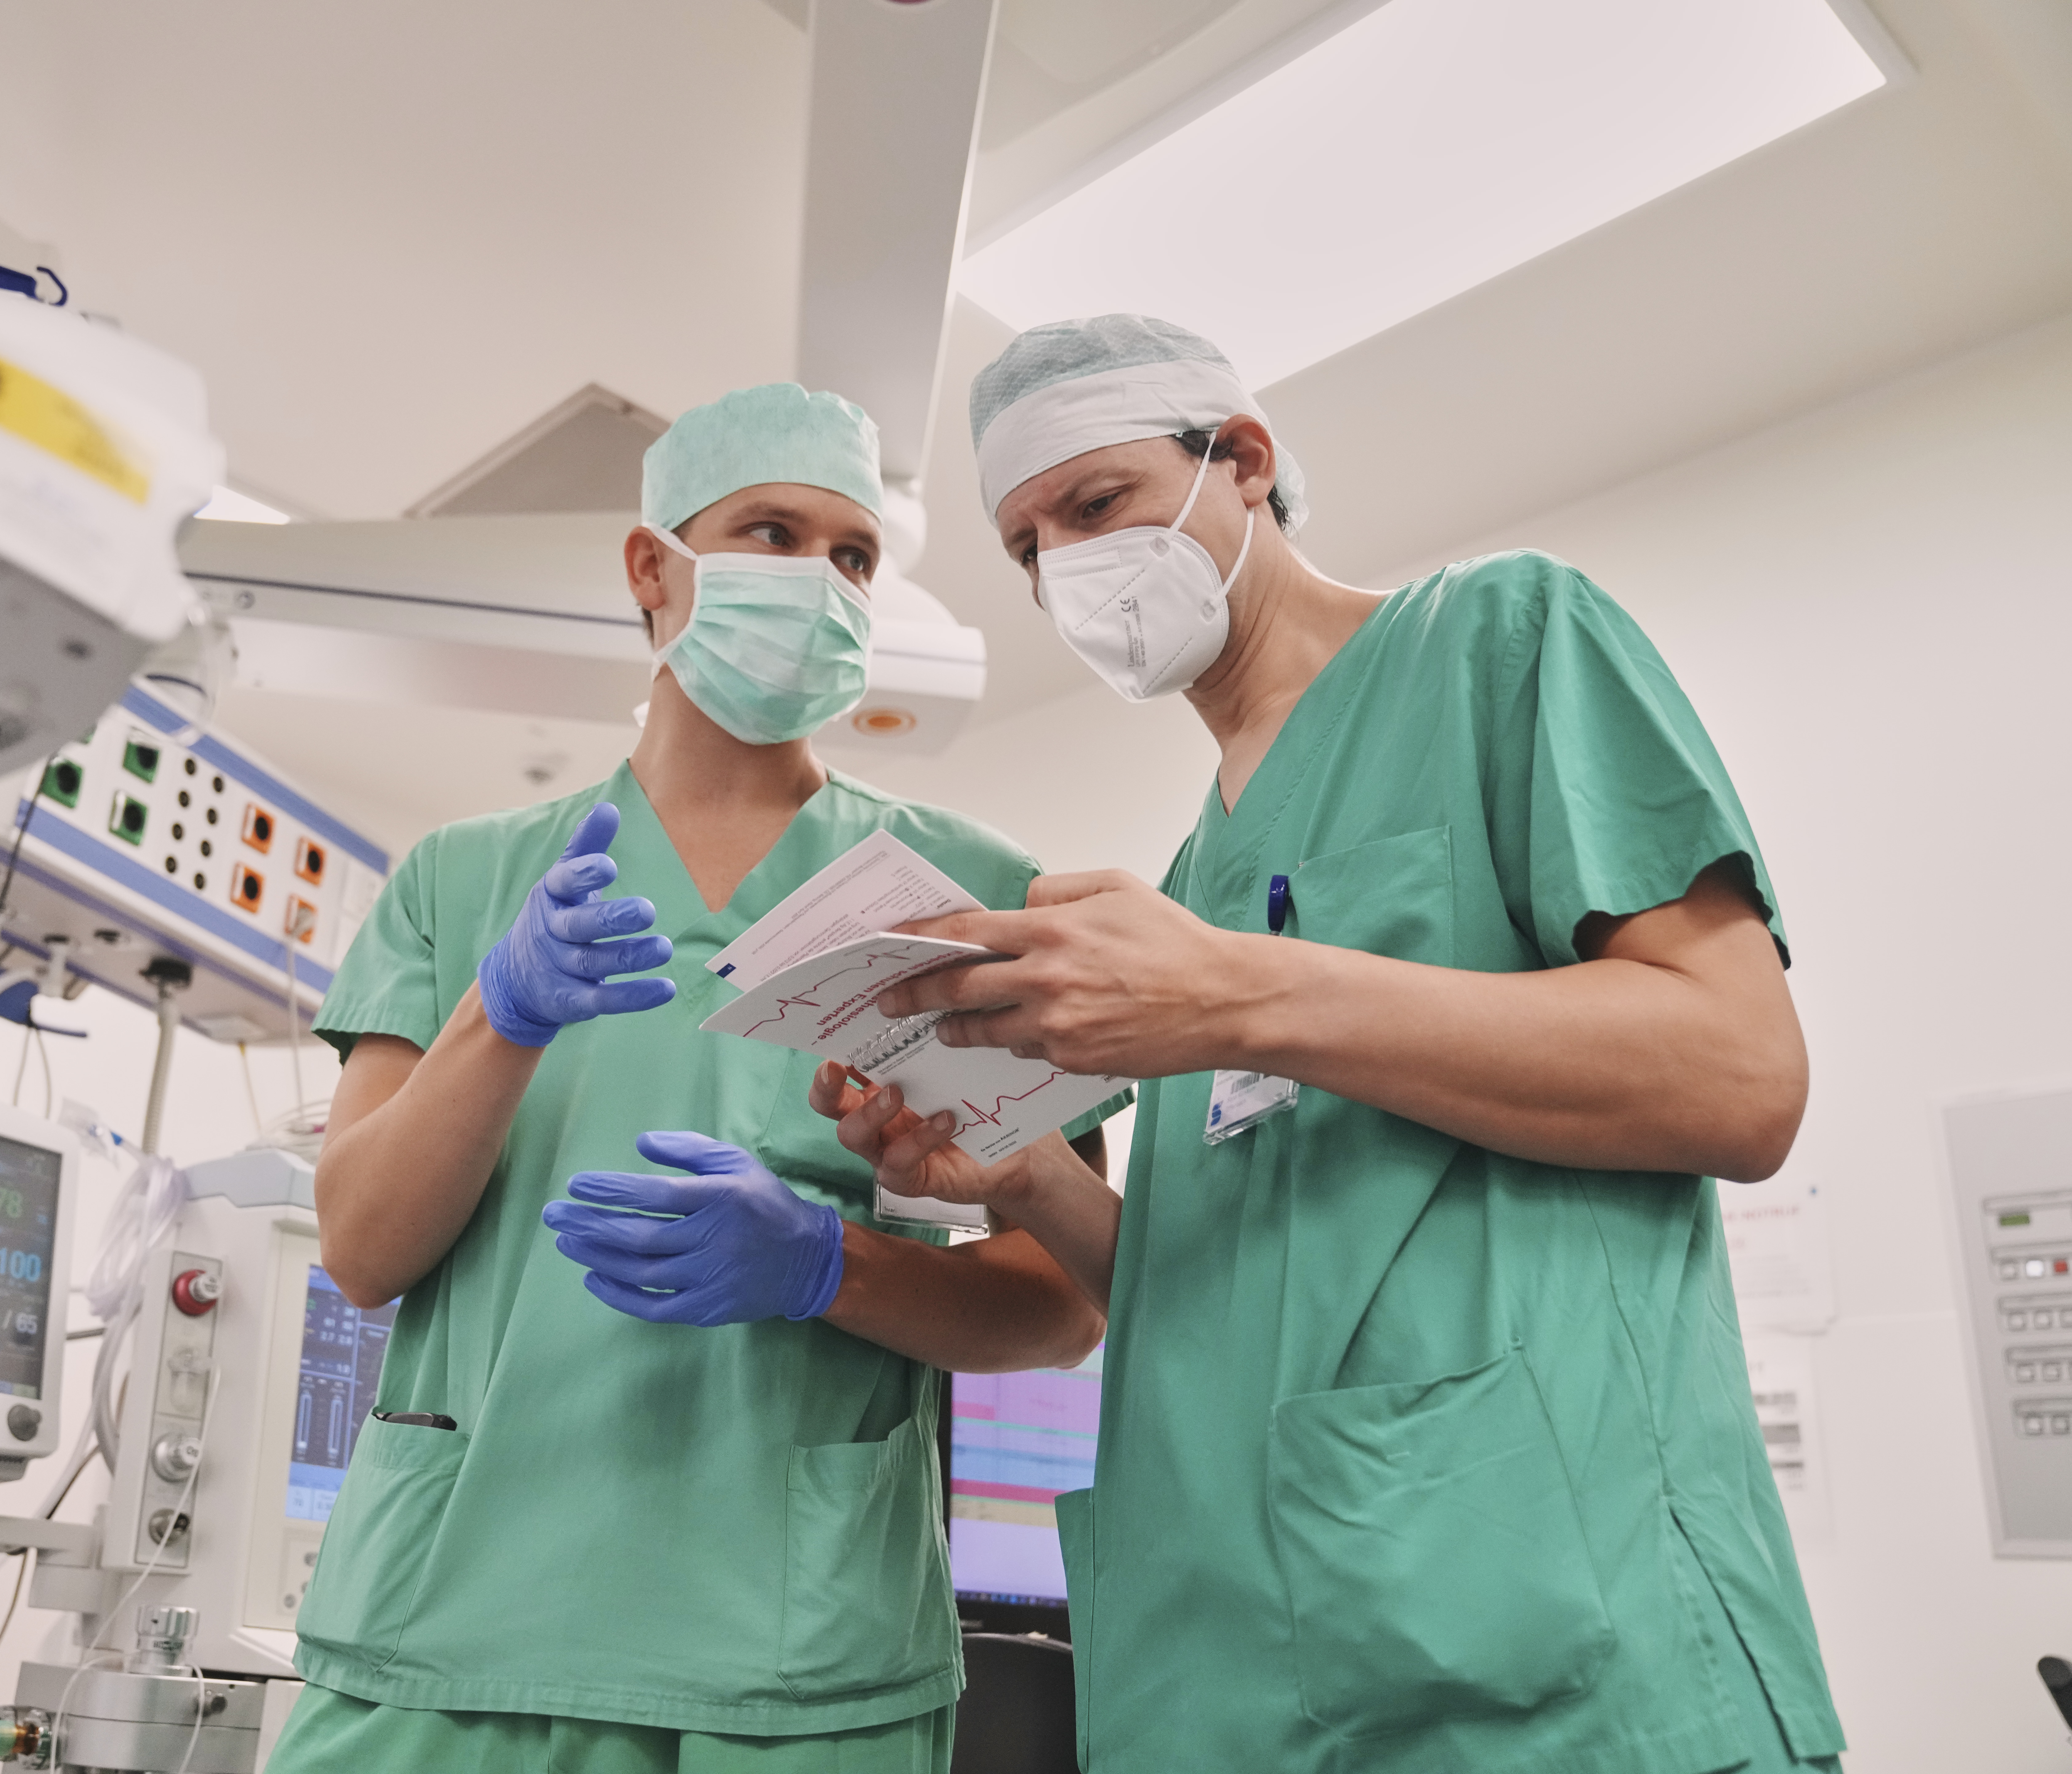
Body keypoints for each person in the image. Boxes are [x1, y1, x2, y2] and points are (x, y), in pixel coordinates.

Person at [810, 316, 1846, 1772]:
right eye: (1028, 546)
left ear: (1242, 461)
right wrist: (1032, 1180)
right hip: (1230, 1656)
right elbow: (1230, 1295)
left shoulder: (1504, 642)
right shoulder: (1195, 883)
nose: (1066, 568)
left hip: (1538, 1629)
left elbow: (1741, 1076)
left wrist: (1244, 995)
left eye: (1096, 505)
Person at [268, 382, 1118, 1774]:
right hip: (452, 1632)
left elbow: (1061, 1306)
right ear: (652, 569)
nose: (820, 585)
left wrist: (829, 1268)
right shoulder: (464, 882)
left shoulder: (966, 891)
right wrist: (505, 1013)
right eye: (771, 533)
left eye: (854, 557)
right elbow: (363, 1250)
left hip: (793, 1662)